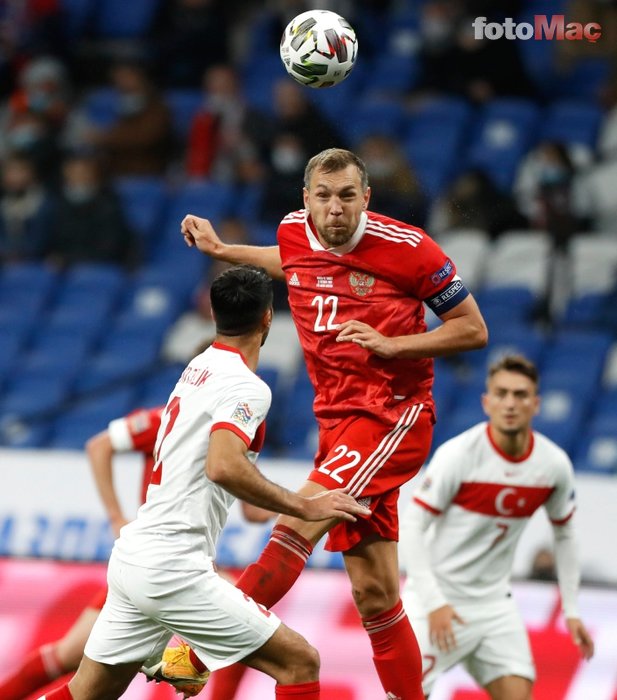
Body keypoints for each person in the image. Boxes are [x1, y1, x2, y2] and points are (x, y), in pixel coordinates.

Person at [179, 148, 488, 700]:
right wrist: (224, 250)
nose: (335, 208)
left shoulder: (412, 249)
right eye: (324, 196)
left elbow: (472, 330)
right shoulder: (295, 230)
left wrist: (394, 345)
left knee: (296, 523)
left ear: (365, 197)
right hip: (337, 421)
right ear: (307, 199)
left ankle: (191, 653)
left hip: (393, 414)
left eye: (347, 196)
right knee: (374, 593)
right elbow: (291, 260)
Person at [36, 264, 368, 700]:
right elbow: (224, 467)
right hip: (173, 567)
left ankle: (188, 660)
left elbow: (227, 476)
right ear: (268, 318)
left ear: (214, 316)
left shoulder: (198, 366)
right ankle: (191, 659)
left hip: (135, 557)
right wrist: (306, 506)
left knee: (86, 693)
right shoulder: (249, 388)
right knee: (299, 662)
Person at [399, 354, 595, 699]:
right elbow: (413, 523)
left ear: (536, 404)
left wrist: (572, 609)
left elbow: (565, 533)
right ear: (486, 402)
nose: (510, 403)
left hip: (493, 607)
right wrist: (433, 602)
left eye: (520, 395)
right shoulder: (459, 455)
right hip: (434, 601)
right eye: (501, 393)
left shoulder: (552, 464)